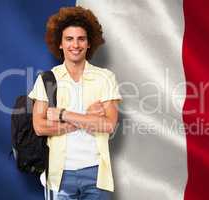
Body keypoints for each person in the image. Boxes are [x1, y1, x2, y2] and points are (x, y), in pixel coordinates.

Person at [28, 6, 122, 200]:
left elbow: (109, 125)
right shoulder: (47, 79)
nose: (75, 44)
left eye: (81, 39)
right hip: (59, 175)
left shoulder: (105, 78)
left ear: (89, 43)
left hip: (97, 174)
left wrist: (63, 114)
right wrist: (88, 120)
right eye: (69, 39)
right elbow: (39, 127)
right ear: (60, 44)